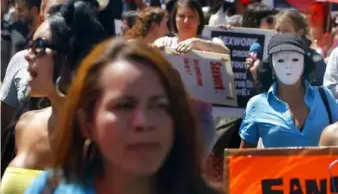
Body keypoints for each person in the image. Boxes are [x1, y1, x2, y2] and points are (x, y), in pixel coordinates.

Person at [24, 39, 222, 193]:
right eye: (124, 106)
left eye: (160, 106)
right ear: (87, 123)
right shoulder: (48, 190)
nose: (143, 122)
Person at [0, 0, 107, 194]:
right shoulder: (25, 124)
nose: (28, 54)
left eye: (39, 45)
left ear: (69, 56)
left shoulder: (102, 136)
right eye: (29, 43)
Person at [153, 0, 229, 158]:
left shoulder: (210, 41)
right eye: (181, 16)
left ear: (200, 20)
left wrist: (197, 43)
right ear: (174, 19)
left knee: (194, 171)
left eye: (192, 16)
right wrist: (153, 51)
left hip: (201, 121)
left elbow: (225, 53)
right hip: (170, 118)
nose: (186, 20)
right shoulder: (164, 42)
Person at [240, 34, 338, 148]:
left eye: (295, 59)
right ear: (272, 68)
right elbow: (244, 157)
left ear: (304, 65)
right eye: (281, 60)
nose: (288, 66)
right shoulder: (256, 104)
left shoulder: (325, 96)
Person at [273, 9, 326, 86]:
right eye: (277, 30)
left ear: (299, 32)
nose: (280, 35)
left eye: (286, 30)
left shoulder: (314, 59)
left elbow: (317, 90)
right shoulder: (271, 58)